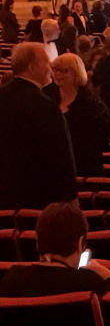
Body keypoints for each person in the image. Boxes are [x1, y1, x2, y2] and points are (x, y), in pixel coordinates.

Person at [0, 43, 78, 209]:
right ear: (32, 67)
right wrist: (70, 198)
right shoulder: (45, 106)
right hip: (37, 196)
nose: (50, 68)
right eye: (46, 62)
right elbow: (61, 156)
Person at [0, 202, 110, 297]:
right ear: (80, 242)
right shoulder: (89, 283)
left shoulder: (11, 279)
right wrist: (108, 275)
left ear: (38, 242)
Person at [45, 53, 110, 176]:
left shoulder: (91, 102)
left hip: (83, 163)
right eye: (55, 70)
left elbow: (104, 133)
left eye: (64, 71)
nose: (58, 74)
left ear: (76, 73)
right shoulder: (47, 97)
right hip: (52, 161)